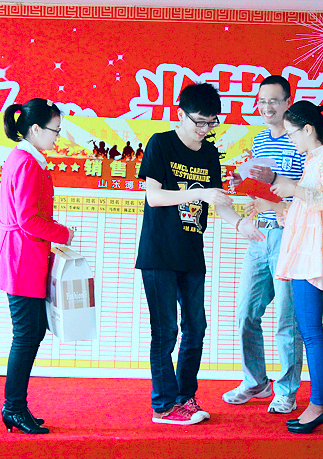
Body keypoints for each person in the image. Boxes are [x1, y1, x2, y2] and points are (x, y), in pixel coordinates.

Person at [135, 82, 264, 425]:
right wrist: (199, 194)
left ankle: (185, 397)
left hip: (191, 252)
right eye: (199, 121)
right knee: (165, 332)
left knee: (195, 327)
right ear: (181, 115)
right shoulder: (161, 143)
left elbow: (217, 201)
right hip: (159, 253)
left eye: (211, 122)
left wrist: (240, 225)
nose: (205, 129)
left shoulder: (209, 153)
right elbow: (154, 197)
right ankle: (163, 406)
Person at [0, 98, 74, 434]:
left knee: (32, 331)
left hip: (22, 256)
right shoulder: (26, 162)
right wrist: (63, 233)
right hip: (21, 259)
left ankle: (16, 406)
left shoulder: (24, 158)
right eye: (55, 130)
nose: (58, 137)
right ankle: (13, 408)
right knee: (27, 334)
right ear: (36, 129)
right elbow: (28, 219)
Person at [269, 100, 323, 434]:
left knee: (311, 333)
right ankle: (318, 404)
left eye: (292, 133)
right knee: (309, 331)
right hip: (304, 254)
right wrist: (287, 210)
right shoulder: (315, 159)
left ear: (308, 129)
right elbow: (312, 206)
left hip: (310, 258)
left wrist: (295, 190)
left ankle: (319, 405)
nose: (290, 139)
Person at [222, 76, 305, 414]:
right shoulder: (258, 139)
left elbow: (306, 191)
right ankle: (256, 381)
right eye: (261, 101)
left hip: (289, 235)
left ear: (288, 103)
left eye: (273, 101)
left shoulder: (301, 139)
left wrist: (277, 195)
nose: (267, 107)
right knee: (246, 312)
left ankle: (286, 390)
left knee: (288, 319)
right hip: (259, 233)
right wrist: (242, 182)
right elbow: (260, 189)